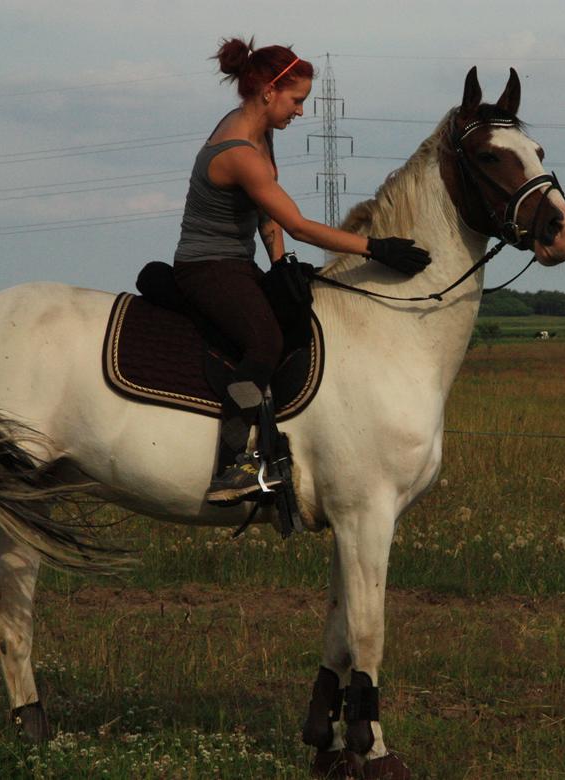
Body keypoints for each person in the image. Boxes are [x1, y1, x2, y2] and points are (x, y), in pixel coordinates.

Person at [173, 38, 431, 506]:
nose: (301, 111)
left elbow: (270, 218)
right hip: (205, 268)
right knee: (265, 342)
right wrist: (376, 248)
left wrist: (280, 265)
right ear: (268, 91)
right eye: (297, 100)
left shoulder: (260, 134)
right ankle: (230, 467)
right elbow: (297, 223)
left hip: (237, 263)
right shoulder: (238, 151)